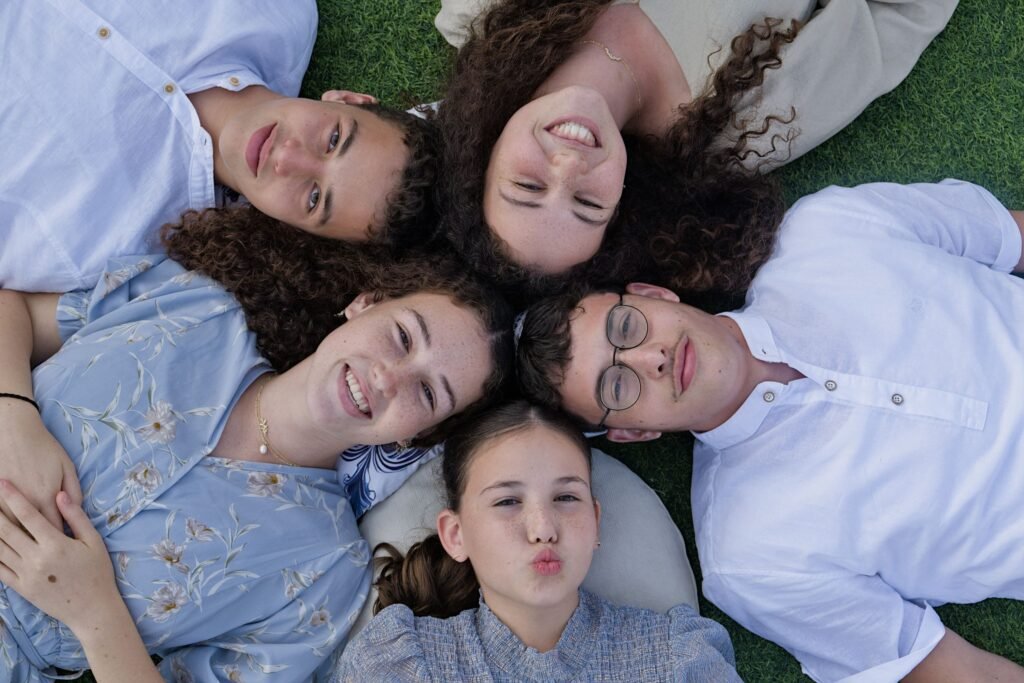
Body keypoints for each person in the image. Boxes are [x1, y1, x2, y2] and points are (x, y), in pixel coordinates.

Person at [515, 179, 1024, 681]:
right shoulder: (750, 557)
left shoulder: (827, 229)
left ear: (654, 294)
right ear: (634, 433)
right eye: (619, 387)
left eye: (627, 328)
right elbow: (950, 669)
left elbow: (1007, 239)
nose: (653, 358)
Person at [0, 240, 513, 681]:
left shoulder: (325, 573)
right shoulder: (194, 302)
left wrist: (95, 615)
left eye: (426, 392)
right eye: (402, 336)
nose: (388, 377)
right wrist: (14, 415)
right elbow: (13, 310)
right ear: (365, 303)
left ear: (418, 436)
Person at [433, 0, 958, 303]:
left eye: (527, 186)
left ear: (483, 154)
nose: (568, 167)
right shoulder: (743, 121)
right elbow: (901, 16)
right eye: (588, 205)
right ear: (622, 202)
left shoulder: (485, 15)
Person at [1, 0, 439, 292]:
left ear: (296, 230)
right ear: (347, 100)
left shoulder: (92, 246)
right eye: (334, 139)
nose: (286, 157)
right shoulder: (278, 11)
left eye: (313, 198)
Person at [331, 401, 741, 682]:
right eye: (508, 501)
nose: (543, 528)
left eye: (566, 498)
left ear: (595, 523)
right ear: (456, 535)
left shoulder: (676, 660)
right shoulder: (402, 664)